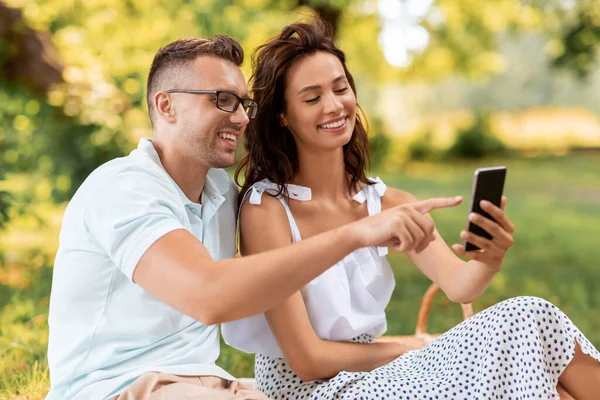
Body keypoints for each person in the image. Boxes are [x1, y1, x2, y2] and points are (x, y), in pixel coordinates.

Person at [45, 35, 462, 400]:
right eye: (222, 100)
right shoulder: (123, 188)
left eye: (243, 104)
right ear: (166, 105)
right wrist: (356, 235)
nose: (243, 117)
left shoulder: (222, 194)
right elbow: (209, 297)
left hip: (208, 384)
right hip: (116, 387)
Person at [221, 18, 600, 400]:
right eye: (312, 97)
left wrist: (490, 258)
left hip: (381, 369)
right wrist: (417, 348)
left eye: (341, 88)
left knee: (529, 317)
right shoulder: (266, 209)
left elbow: (460, 284)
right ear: (283, 116)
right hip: (312, 388)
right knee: (521, 355)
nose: (334, 106)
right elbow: (307, 360)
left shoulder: (386, 202)